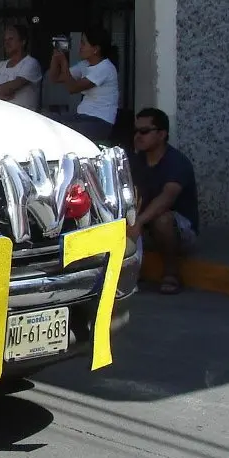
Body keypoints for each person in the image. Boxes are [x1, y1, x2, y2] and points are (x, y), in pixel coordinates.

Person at [128, 107, 199, 295]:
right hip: (146, 227)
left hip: (180, 231)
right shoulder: (136, 161)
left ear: (162, 134)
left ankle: (171, 273)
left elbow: (167, 197)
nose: (138, 136)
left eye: (144, 131)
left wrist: (139, 222)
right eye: (135, 131)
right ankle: (130, 272)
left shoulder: (176, 162)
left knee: (163, 219)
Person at [47, 26, 120, 142]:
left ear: (95, 49)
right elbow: (54, 78)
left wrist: (64, 62)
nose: (80, 47)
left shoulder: (106, 68)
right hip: (82, 118)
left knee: (60, 130)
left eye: (83, 43)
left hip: (99, 123)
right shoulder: (84, 64)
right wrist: (55, 57)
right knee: (48, 120)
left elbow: (72, 88)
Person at [0, 22, 44, 109]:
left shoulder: (31, 63)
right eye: (5, 40)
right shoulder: (1, 65)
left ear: (23, 42)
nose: (6, 43)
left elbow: (10, 88)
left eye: (11, 39)